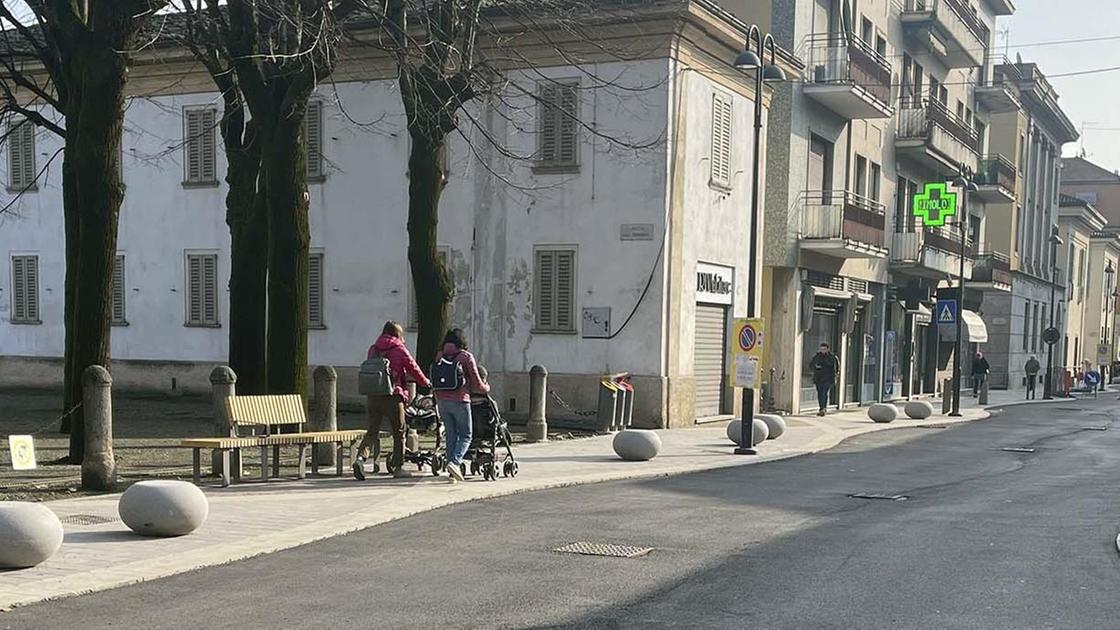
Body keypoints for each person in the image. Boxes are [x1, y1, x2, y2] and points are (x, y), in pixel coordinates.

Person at [353, 321, 431, 481]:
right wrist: (426, 383)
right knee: (399, 432)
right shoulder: (399, 350)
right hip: (393, 397)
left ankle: (360, 459)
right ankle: (398, 467)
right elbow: (413, 368)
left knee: (372, 431)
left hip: (373, 396)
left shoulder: (373, 349)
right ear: (398, 334)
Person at [433, 328, 489, 483]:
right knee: (466, 435)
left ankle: (452, 473)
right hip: (460, 400)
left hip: (442, 401)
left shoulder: (439, 355)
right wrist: (486, 388)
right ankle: (455, 462)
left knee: (451, 435)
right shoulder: (465, 357)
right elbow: (477, 383)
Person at [810, 343, 838, 417]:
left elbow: (836, 368)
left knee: (824, 393)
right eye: (821, 349)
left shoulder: (832, 357)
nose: (823, 351)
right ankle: (821, 408)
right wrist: (815, 367)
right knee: (819, 393)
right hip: (819, 378)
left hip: (828, 378)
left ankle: (823, 408)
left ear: (828, 349)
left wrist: (835, 377)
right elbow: (811, 365)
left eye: (824, 349)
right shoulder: (817, 356)